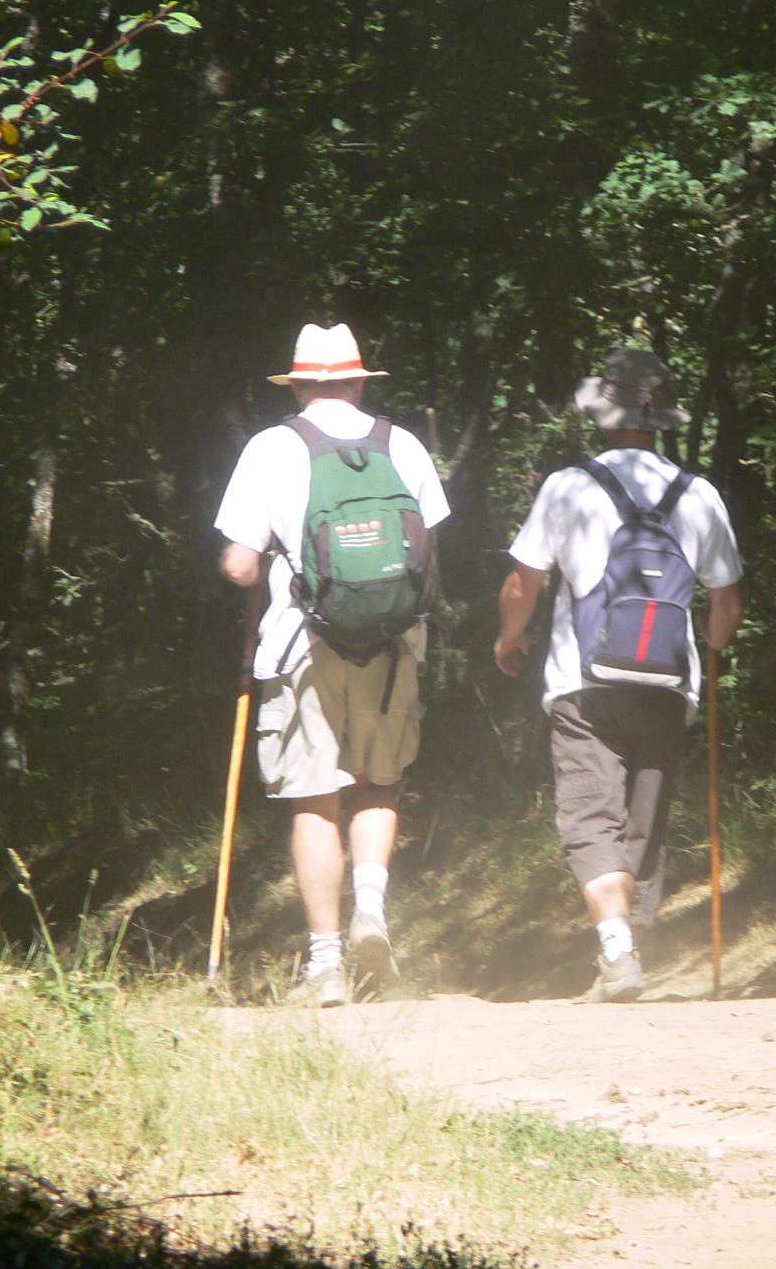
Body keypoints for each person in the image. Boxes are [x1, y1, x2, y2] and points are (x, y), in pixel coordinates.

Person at [494, 347, 743, 1002]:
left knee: (588, 815)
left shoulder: (568, 486)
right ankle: (629, 945)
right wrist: (709, 654)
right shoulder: (699, 493)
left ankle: (617, 951)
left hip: (584, 684)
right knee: (643, 821)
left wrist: (508, 637)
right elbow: (726, 605)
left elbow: (523, 582)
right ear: (660, 417)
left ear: (604, 415)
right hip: (667, 685)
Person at [214, 322, 449, 1006]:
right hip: (396, 637)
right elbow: (428, 547)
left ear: (299, 384)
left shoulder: (271, 448)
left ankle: (325, 965)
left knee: (314, 796)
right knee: (380, 780)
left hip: (300, 643)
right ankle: (370, 910)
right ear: (354, 379)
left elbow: (238, 563)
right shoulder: (399, 442)